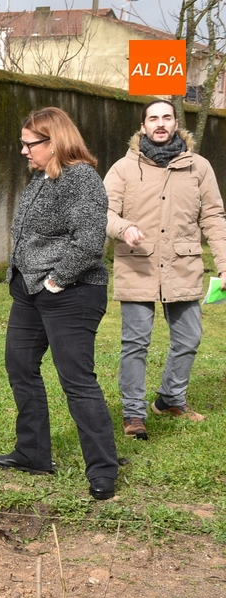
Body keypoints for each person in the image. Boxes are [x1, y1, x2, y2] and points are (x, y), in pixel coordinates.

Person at [0, 107, 117, 500]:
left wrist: (56, 280)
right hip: (29, 291)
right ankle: (32, 453)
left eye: (30, 144)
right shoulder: (43, 177)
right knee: (20, 366)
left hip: (72, 293)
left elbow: (89, 242)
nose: (23, 151)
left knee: (76, 380)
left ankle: (103, 469)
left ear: (54, 142)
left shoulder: (82, 179)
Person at [104, 99, 226, 440]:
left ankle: (170, 398)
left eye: (167, 117)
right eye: (153, 118)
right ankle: (133, 413)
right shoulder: (123, 168)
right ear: (143, 126)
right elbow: (104, 212)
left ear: (176, 123)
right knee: (135, 343)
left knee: (189, 338)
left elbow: (213, 217)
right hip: (138, 264)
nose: (160, 123)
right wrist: (124, 228)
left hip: (183, 266)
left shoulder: (198, 167)